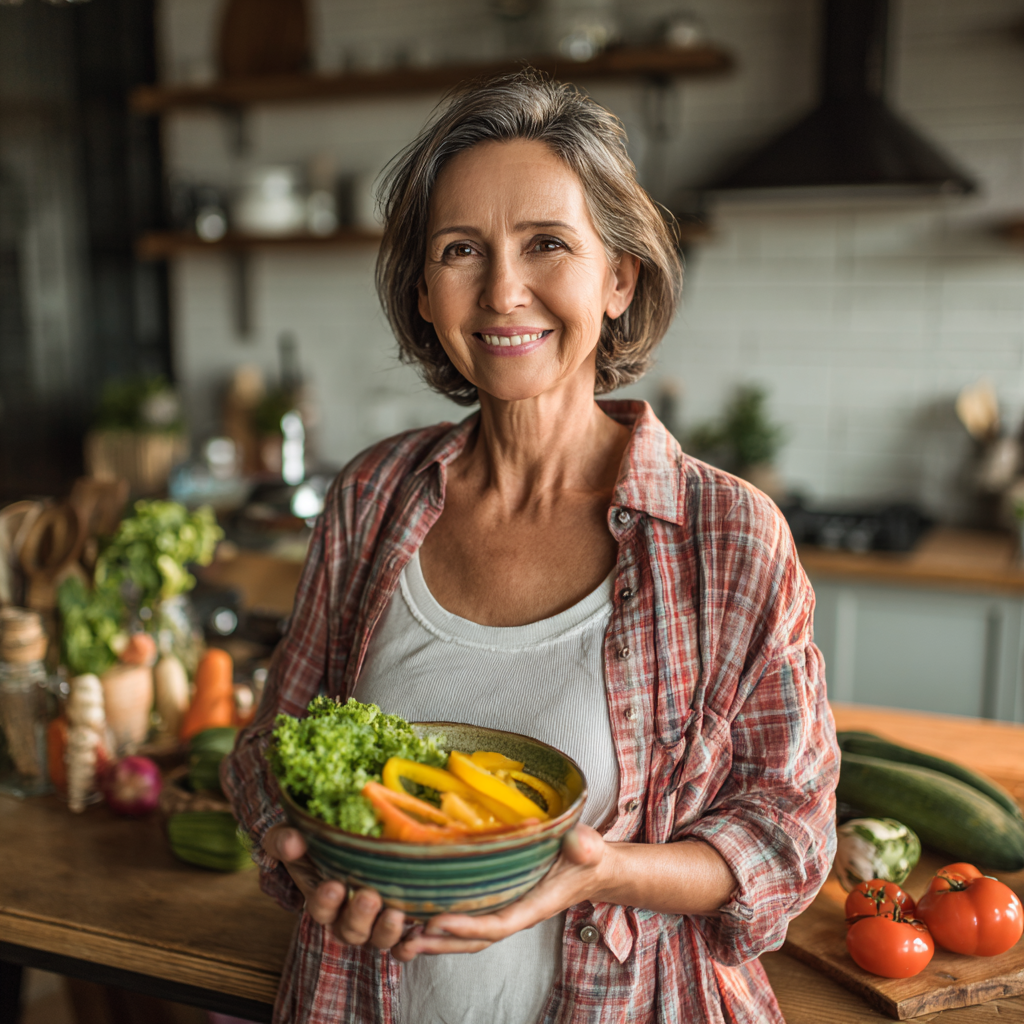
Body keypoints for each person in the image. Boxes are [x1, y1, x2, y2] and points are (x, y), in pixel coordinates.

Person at [223, 70, 839, 1024]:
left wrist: (598, 874)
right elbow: (271, 751)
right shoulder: (372, 497)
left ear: (619, 277)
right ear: (425, 295)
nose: (504, 291)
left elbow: (788, 832)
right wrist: (311, 867)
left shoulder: (727, 535)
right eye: (461, 250)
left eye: (547, 244)